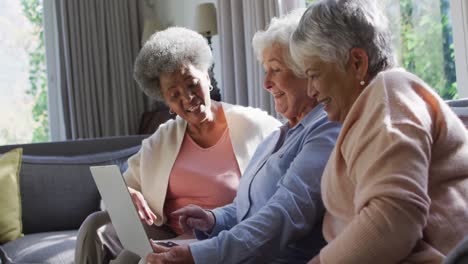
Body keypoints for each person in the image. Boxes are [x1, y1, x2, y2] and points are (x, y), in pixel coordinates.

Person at [145, 9, 341, 264]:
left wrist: (199, 255)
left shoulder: (326, 128)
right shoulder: (279, 136)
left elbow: (286, 213)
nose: (266, 83)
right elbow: (245, 208)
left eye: (275, 69)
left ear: (307, 72)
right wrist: (213, 219)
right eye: (265, 70)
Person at [74, 27, 281, 264]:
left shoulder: (254, 126)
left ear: (206, 75)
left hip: (220, 235)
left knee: (129, 259)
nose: (187, 97)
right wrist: (127, 194)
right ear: (166, 102)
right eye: (174, 94)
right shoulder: (162, 140)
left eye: (192, 83)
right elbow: (114, 196)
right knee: (95, 225)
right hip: (169, 232)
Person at [289, 0, 468, 263]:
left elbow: (394, 219)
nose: (311, 91)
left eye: (314, 74)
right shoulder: (373, 106)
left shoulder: (389, 94)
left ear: (357, 62)